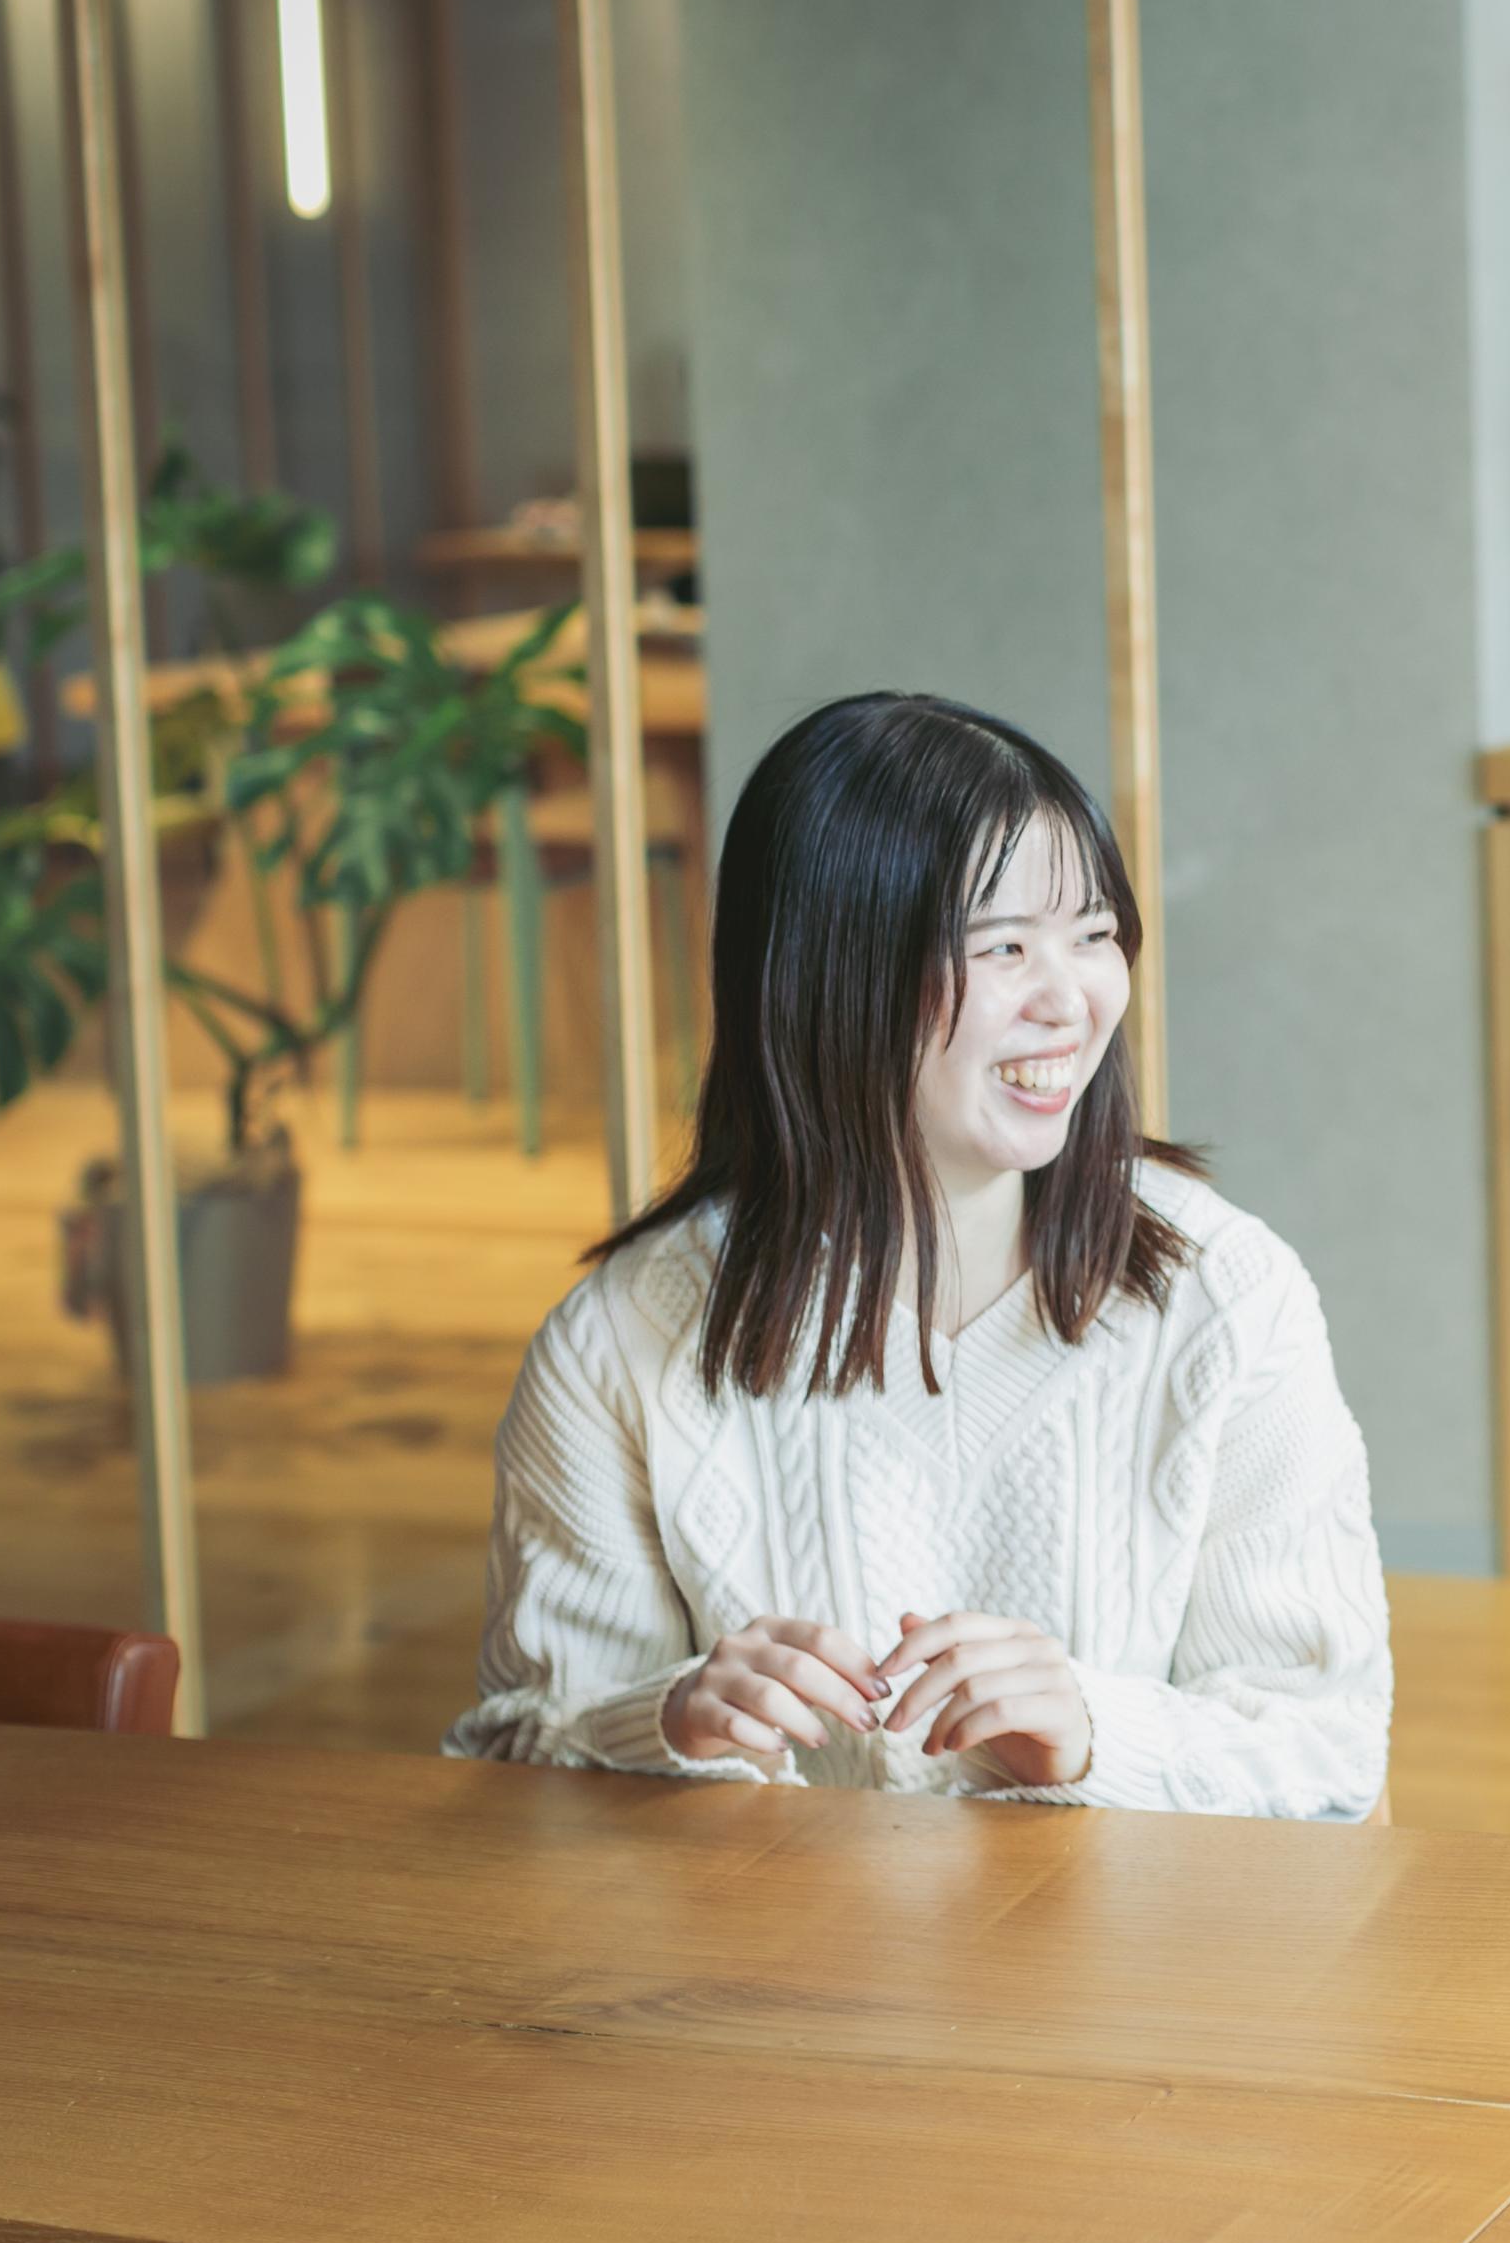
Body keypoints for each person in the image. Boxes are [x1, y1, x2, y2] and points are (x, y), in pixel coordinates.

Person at [446, 693, 1389, 1816]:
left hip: (1129, 1931)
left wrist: (1092, 1733)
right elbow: (516, 1752)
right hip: (769, 1929)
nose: (1071, 1001)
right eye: (1004, 948)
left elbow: (1326, 1753)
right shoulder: (621, 1341)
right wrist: (669, 1720)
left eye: (1094, 936)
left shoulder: (1226, 1296)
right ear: (828, 980)